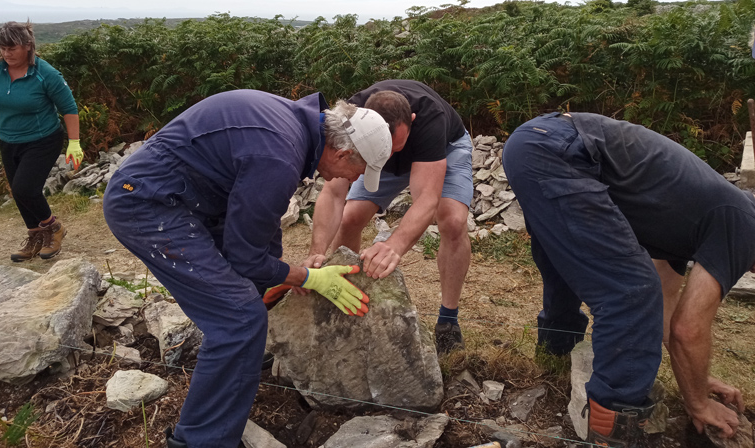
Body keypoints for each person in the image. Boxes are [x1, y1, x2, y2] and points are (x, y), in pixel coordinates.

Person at [102, 90, 392, 448]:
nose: (353, 179)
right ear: (342, 153)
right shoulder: (277, 156)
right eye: (358, 171)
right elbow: (244, 257)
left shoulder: (295, 128)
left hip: (185, 195)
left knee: (257, 278)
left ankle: (234, 369)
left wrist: (281, 273)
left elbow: (259, 239)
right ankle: (200, 441)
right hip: (146, 203)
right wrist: (307, 277)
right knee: (239, 318)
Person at [503, 112, 755, 447]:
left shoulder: (702, 218)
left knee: (572, 270)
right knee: (631, 294)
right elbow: (689, 328)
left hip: (538, 142)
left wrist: (697, 379)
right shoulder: (744, 225)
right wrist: (698, 402)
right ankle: (612, 436)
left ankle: (554, 367)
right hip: (560, 150)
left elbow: (667, 308)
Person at [302, 80, 473, 354]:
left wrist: (393, 246)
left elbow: (426, 199)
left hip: (443, 150)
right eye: (386, 147)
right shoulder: (352, 118)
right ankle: (345, 293)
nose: (393, 153)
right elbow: (334, 193)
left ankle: (448, 321)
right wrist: (316, 252)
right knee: (351, 218)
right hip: (371, 156)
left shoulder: (429, 118)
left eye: (397, 145)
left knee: (452, 220)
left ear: (412, 121)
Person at [0, 21, 82, 262]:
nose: (6, 54)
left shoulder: (46, 74)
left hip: (43, 140)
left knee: (25, 188)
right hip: (9, 139)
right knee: (18, 192)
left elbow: (69, 108)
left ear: (28, 46)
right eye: (2, 48)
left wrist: (75, 142)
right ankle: (35, 236)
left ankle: (54, 229)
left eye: (12, 48)